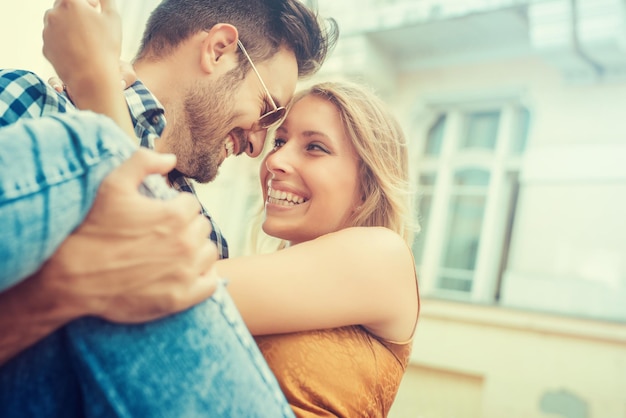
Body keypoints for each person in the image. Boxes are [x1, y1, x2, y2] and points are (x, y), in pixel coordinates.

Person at [0, 0, 336, 416]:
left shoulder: (204, 237)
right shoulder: (30, 103)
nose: (257, 148)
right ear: (218, 49)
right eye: (268, 112)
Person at [207, 81, 421, 417]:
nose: (275, 159)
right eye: (279, 141)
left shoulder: (382, 254)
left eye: (315, 147)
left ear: (367, 185)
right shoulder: (269, 275)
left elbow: (176, 290)